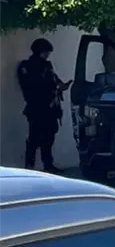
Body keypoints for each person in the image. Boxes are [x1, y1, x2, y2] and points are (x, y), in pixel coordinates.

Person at [17, 38, 71, 172]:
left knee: (49, 137)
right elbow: (33, 86)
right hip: (37, 108)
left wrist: (61, 86)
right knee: (34, 138)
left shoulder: (47, 66)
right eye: (45, 52)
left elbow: (54, 80)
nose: (47, 55)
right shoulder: (28, 66)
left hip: (50, 108)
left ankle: (48, 165)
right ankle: (30, 167)